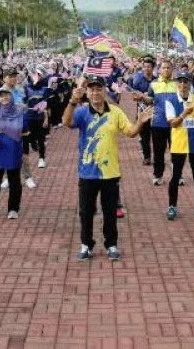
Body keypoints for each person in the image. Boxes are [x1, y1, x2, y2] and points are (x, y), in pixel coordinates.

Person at [64, 76, 152, 260]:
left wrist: (141, 122)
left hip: (110, 172)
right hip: (87, 172)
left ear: (105, 92)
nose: (95, 93)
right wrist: (72, 101)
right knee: (86, 212)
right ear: (87, 93)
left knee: (110, 212)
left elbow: (130, 132)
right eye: (92, 90)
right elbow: (66, 122)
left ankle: (111, 244)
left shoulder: (115, 112)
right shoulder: (81, 112)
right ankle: (86, 245)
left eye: (99, 89)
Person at [165, 71, 194, 220]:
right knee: (175, 176)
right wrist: (184, 113)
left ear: (190, 83)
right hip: (178, 145)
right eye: (180, 82)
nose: (183, 85)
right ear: (177, 84)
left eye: (186, 82)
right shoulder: (171, 101)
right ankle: (172, 207)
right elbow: (173, 123)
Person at [0, 86, 29, 219]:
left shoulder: (20, 112)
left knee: (14, 181)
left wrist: (25, 153)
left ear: (12, 96)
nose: (4, 98)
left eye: (7, 95)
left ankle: (13, 209)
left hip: (14, 152)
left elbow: (25, 133)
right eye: (1, 96)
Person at [140, 59, 177, 185]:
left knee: (177, 151)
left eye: (168, 68)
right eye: (164, 68)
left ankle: (178, 175)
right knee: (158, 152)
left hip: (175, 123)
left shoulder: (178, 84)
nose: (166, 70)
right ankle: (158, 175)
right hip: (158, 122)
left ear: (172, 70)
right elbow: (150, 100)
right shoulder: (153, 84)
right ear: (159, 70)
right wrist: (142, 98)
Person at [128, 56, 157, 165]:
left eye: (149, 67)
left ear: (153, 68)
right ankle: (147, 157)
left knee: (155, 136)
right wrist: (141, 96)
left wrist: (148, 96)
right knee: (144, 136)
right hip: (142, 112)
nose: (146, 69)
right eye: (144, 67)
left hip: (155, 112)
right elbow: (133, 97)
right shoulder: (138, 81)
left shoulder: (156, 81)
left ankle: (157, 156)